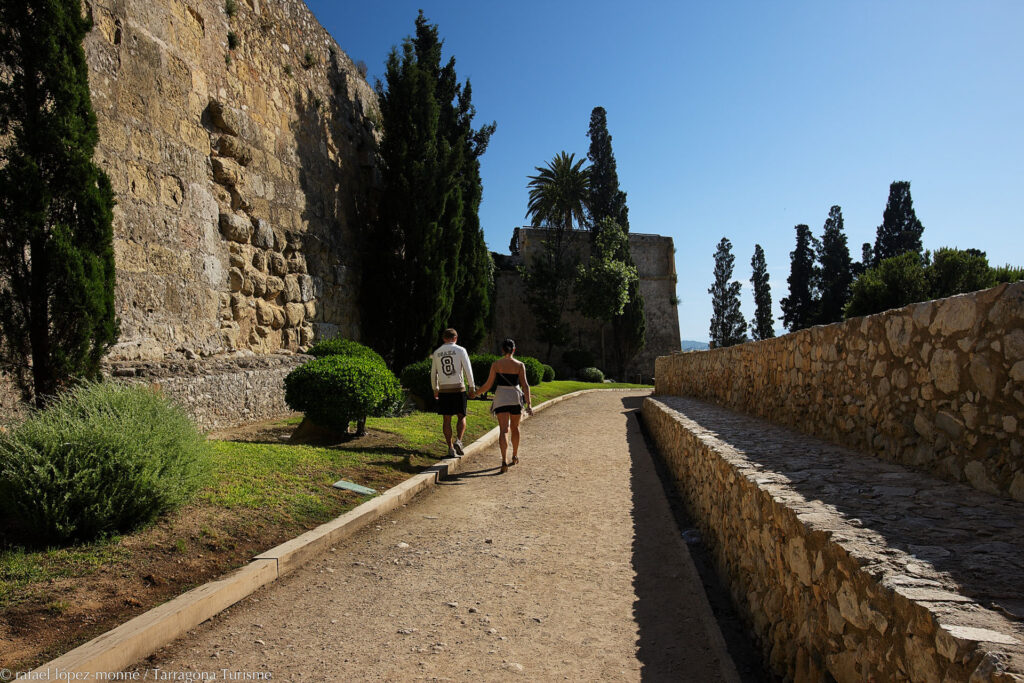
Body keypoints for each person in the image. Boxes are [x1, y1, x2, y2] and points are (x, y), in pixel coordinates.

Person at [470, 339, 532, 473]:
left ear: (502, 350)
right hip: (515, 398)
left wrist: (476, 393)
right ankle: (514, 455)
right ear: (514, 350)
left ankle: (503, 460)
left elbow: (488, 384)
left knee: (504, 429)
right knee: (515, 427)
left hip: (501, 397)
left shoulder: (496, 364)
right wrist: (529, 404)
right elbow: (525, 385)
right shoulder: (520, 365)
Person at [431, 328, 475, 458]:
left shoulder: (437, 352)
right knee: (461, 416)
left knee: (446, 419)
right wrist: (471, 387)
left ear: (443, 338)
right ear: (455, 338)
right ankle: (459, 441)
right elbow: (468, 369)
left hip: (444, 389)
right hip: (458, 388)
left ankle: (450, 448)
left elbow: (434, 373)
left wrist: (435, 388)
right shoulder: (461, 350)